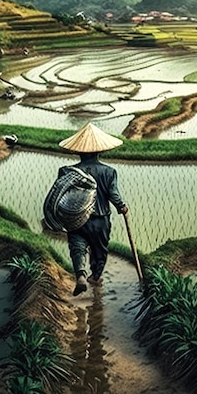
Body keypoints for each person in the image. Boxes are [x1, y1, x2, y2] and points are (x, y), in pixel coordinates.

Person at [57, 123, 128, 296]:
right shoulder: (109, 172)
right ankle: (95, 277)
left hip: (76, 219)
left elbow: (59, 195)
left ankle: (80, 275)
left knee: (77, 247)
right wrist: (122, 207)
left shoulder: (67, 171)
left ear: (78, 151)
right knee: (99, 250)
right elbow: (113, 195)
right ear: (99, 151)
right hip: (100, 219)